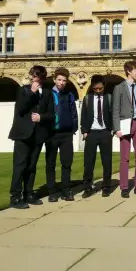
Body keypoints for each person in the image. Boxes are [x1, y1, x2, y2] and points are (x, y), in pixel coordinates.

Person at [8, 65, 54, 209]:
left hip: (38, 134)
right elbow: (21, 108)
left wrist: (41, 117)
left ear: (42, 78)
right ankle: (15, 197)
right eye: (32, 76)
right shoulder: (23, 90)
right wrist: (32, 92)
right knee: (19, 166)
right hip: (22, 134)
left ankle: (29, 193)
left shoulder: (47, 93)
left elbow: (51, 114)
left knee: (31, 166)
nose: (33, 79)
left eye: (36, 76)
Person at [113, 61, 136, 198]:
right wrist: (116, 128)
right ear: (128, 71)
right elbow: (115, 108)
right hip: (125, 123)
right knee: (125, 157)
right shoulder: (119, 88)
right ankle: (124, 187)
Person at [44, 67, 78, 202]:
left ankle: (66, 190)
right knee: (50, 163)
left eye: (64, 80)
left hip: (66, 134)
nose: (62, 82)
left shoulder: (69, 95)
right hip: (51, 133)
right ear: (54, 79)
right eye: (59, 80)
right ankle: (52, 191)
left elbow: (74, 114)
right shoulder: (47, 94)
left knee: (66, 164)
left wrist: (72, 129)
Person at [80, 75, 114, 198]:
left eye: (100, 88)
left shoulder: (109, 98)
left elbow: (113, 114)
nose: (98, 91)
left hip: (105, 132)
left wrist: (112, 130)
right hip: (91, 133)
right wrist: (84, 131)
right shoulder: (87, 99)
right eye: (95, 89)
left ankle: (106, 187)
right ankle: (87, 187)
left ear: (104, 86)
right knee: (88, 163)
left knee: (107, 162)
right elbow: (83, 115)